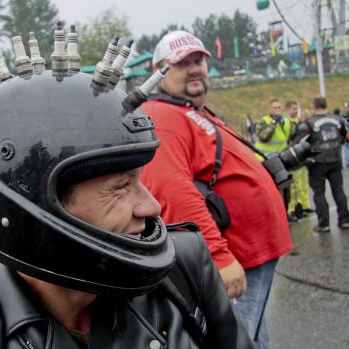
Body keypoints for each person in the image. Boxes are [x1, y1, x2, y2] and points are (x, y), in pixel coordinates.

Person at [0, 50, 255, 348]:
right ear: (30, 209)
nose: (152, 207)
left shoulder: (184, 266)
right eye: (119, 187)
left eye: (139, 180)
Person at [140, 30, 292, 349]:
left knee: (254, 335)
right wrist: (219, 258)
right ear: (158, 73)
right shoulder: (162, 114)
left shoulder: (188, 110)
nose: (194, 68)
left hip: (253, 252)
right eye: (182, 63)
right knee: (238, 340)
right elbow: (171, 192)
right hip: (237, 253)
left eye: (199, 61)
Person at [306, 96, 349, 232]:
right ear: (326, 105)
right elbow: (343, 136)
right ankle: (344, 220)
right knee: (338, 190)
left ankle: (323, 223)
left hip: (317, 161)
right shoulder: (338, 119)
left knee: (319, 192)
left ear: (314, 106)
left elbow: (303, 142)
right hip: (335, 159)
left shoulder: (309, 122)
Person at [255, 98, 293, 218]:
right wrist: (273, 124)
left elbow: (289, 137)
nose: (277, 110)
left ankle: (285, 213)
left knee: (286, 187)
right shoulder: (264, 121)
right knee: (272, 189)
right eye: (274, 108)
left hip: (282, 159)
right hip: (267, 160)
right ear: (269, 109)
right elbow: (263, 137)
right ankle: (274, 214)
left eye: (279, 107)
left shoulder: (286, 121)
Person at [285, 100, 312, 218]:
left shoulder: (301, 123)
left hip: (302, 157)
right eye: (294, 109)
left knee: (304, 184)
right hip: (293, 158)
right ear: (288, 110)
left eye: (297, 108)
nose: (296, 111)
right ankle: (294, 208)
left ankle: (305, 206)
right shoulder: (287, 124)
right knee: (295, 185)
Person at [341, 102, 349, 167]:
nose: (346, 108)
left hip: (346, 133)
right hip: (346, 134)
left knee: (346, 148)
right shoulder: (342, 115)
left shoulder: (342, 115)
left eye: (347, 107)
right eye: (346, 107)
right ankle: (347, 162)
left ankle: (347, 162)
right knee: (346, 148)